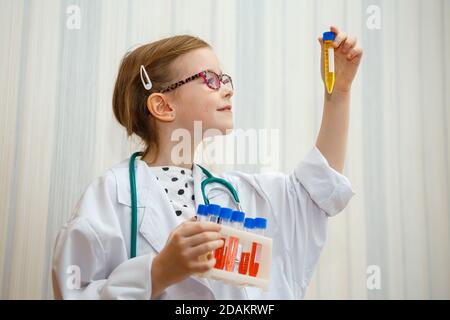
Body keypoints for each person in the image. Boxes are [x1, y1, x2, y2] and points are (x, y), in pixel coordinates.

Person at [52, 26, 363, 299]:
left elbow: (316, 192)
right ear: (162, 105)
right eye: (210, 79)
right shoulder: (110, 197)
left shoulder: (237, 195)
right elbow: (73, 291)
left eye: (225, 78)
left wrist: (339, 94)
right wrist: (159, 271)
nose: (228, 88)